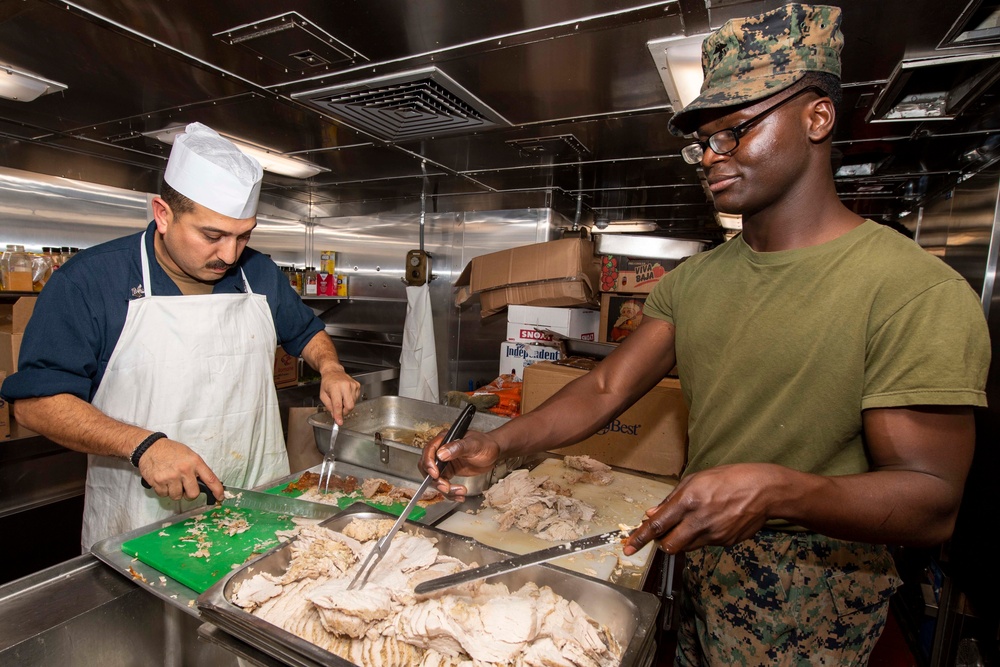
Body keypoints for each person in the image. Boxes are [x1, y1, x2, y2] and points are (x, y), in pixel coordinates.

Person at [420, 4, 991, 664]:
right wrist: (498, 444)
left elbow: (930, 501)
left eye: (735, 132)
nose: (711, 157)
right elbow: (605, 385)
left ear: (817, 117)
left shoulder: (911, 291)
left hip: (812, 602)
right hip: (701, 571)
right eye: (703, 142)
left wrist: (779, 490)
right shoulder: (694, 283)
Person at [1, 122, 361, 551]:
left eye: (244, 235)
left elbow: (306, 333)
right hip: (140, 525)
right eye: (212, 235)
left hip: (255, 513)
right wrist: (142, 446)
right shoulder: (90, 282)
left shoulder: (258, 273)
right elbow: (36, 404)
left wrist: (331, 366)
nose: (229, 255)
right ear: (163, 214)